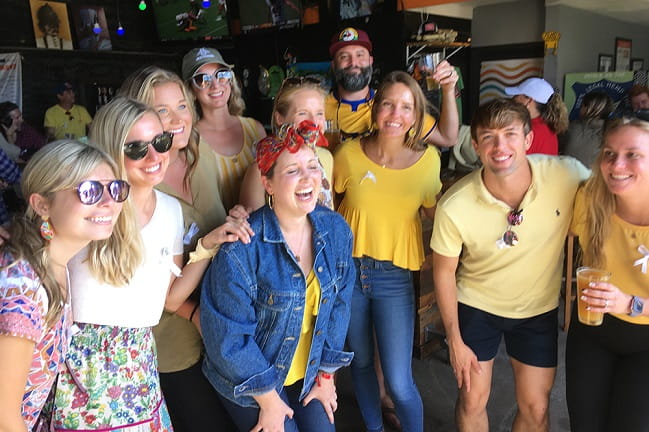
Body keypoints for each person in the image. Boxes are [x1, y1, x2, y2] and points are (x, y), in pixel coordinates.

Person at [51, 97, 252, 431]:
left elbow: (169, 301)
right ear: (111, 149)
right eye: (135, 148)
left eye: (160, 142)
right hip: (81, 367)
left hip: (140, 365)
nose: (155, 157)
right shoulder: (89, 206)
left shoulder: (171, 211)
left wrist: (206, 247)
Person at [430, 98, 589, 432]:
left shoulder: (566, 174)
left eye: (510, 134)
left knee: (537, 407)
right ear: (475, 145)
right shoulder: (455, 205)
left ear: (528, 140)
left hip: (537, 309)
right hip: (476, 304)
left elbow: (614, 195)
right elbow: (443, 271)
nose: (500, 146)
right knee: (472, 400)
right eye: (488, 137)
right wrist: (454, 339)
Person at [200, 120, 355, 432]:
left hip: (307, 371)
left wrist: (326, 376)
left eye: (312, 166)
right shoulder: (242, 248)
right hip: (248, 382)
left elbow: (339, 306)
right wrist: (269, 401)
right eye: (292, 170)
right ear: (267, 183)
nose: (308, 177)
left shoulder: (336, 230)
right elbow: (228, 340)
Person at [118, 65, 237, 431]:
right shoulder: (133, 184)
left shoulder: (199, 157)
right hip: (174, 342)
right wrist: (196, 315)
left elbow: (219, 224)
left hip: (223, 324)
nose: (177, 119)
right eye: (162, 111)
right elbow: (144, 286)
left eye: (182, 106)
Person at [334, 71, 442, 432]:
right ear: (375, 108)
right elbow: (326, 207)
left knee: (398, 380)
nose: (396, 114)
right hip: (348, 272)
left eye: (406, 107)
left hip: (393, 277)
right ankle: (374, 428)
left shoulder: (429, 161)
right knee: (361, 364)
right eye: (388, 104)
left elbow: (433, 213)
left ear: (417, 115)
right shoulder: (347, 155)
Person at [0, 139, 128, 431]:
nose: (108, 202)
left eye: (115, 188)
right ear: (42, 204)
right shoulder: (23, 289)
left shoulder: (53, 263)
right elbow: (3, 417)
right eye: (89, 191)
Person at [566, 118, 649, 431]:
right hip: (592, 333)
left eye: (633, 154)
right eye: (610, 153)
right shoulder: (590, 200)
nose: (617, 164)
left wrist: (629, 303)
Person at [325, 27, 459, 151]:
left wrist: (448, 90)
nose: (353, 63)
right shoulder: (318, 108)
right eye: (344, 56)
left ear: (371, 61)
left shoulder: (393, 104)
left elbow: (448, 138)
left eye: (360, 55)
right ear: (334, 64)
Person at [182, 47, 266, 210]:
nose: (215, 85)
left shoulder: (255, 129)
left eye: (221, 75)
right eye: (202, 79)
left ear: (230, 80)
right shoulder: (189, 139)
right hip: (218, 232)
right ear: (190, 90)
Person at [240, 76, 333, 210]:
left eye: (319, 113)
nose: (313, 121)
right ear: (280, 118)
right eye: (302, 113)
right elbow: (252, 228)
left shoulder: (326, 158)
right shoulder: (260, 169)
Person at [505, 77, 569, 155]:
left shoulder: (529, 129)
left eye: (517, 95)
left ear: (529, 101)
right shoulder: (547, 125)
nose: (513, 99)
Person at [560, 91, 613, 167]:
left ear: (588, 108)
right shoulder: (612, 132)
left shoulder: (571, 128)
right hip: (596, 177)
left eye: (582, 106)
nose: (580, 109)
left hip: (568, 175)